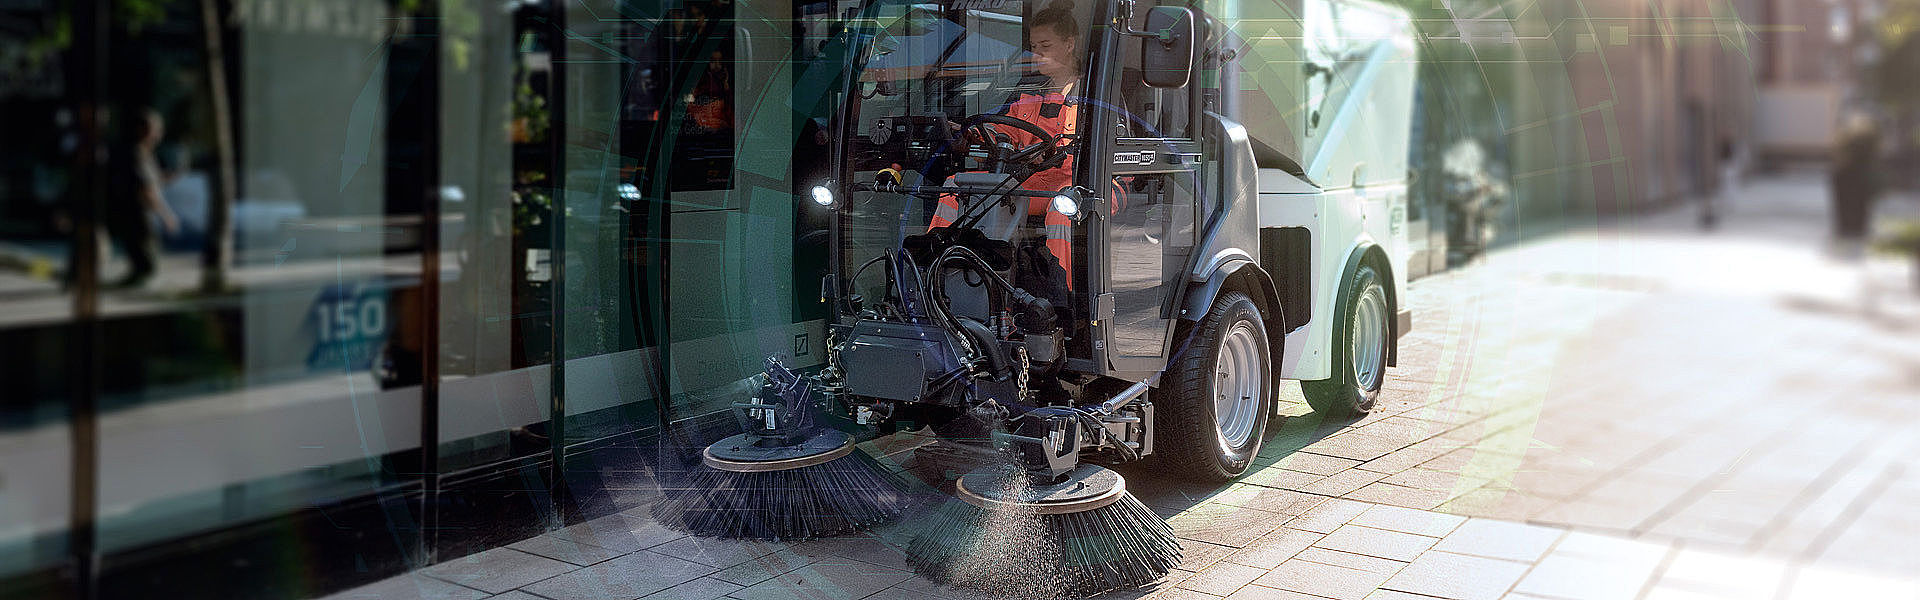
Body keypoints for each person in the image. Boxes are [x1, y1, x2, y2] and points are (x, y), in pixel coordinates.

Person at [928, 0, 1083, 278]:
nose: (1036, 55)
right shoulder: (1031, 92)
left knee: (1063, 208)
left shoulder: (1092, 96)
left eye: (1045, 47)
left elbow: (1105, 153)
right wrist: (969, 134)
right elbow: (1004, 129)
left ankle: (1063, 295)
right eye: (1034, 47)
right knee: (957, 186)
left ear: (1069, 44)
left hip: (1082, 182)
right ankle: (936, 273)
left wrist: (1052, 154)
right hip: (1032, 182)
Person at [104, 108, 179, 289]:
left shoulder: (144, 153)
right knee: (146, 263)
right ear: (142, 130)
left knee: (144, 261)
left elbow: (151, 181)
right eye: (155, 129)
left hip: (137, 213)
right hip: (137, 214)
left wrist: (166, 178)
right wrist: (166, 215)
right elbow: (145, 189)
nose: (158, 134)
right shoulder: (135, 154)